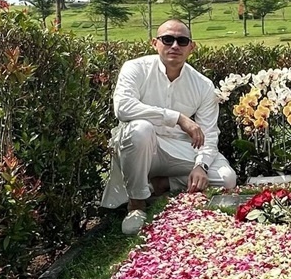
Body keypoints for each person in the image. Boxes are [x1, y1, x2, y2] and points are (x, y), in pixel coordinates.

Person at [101, 18, 237, 234]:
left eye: (182, 41)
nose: (175, 46)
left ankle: (162, 184)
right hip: (142, 148)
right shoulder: (135, 68)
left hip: (179, 149)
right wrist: (177, 118)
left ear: (192, 47)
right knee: (140, 130)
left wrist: (201, 165)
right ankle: (137, 203)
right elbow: (123, 109)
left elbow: (209, 132)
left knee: (226, 178)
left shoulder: (202, 85)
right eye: (167, 39)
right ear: (154, 43)